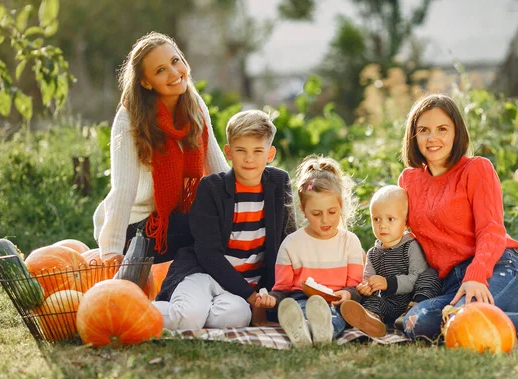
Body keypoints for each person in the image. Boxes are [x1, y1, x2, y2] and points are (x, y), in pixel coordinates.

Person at [397, 93, 518, 341]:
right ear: (413, 136)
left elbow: (491, 230)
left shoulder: (476, 169)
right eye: (423, 130)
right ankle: (474, 314)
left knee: (462, 320)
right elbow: (405, 235)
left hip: (497, 269)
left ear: (456, 133)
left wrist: (476, 276)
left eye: (442, 129)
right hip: (450, 284)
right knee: (417, 324)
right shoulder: (409, 180)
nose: (432, 138)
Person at [93, 32, 229, 265]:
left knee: (235, 223)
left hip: (177, 218)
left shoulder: (194, 107)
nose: (174, 73)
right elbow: (122, 190)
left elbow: (218, 172)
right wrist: (111, 252)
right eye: (160, 70)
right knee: (205, 229)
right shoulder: (130, 119)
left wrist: (249, 204)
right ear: (146, 82)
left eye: (175, 61)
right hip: (138, 228)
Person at [153, 109, 297, 330]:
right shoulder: (212, 188)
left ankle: (195, 315)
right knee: (188, 318)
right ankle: (136, 308)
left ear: (270, 154)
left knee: (236, 318)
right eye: (241, 150)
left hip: (238, 290)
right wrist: (250, 295)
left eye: (258, 151)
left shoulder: (279, 182)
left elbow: (288, 239)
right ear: (228, 152)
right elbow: (208, 253)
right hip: (203, 273)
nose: (249, 158)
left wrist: (273, 293)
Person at [257, 156, 364, 348]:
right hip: (301, 298)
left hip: (335, 301)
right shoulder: (291, 244)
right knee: (299, 307)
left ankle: (324, 331)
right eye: (316, 214)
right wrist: (271, 299)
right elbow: (283, 289)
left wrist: (347, 295)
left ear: (341, 206)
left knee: (334, 314)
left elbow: (354, 288)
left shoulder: (350, 242)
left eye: (332, 212)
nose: (325, 220)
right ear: (303, 210)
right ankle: (302, 330)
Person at [340, 185, 443, 337]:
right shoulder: (373, 253)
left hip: (412, 300)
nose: (382, 225)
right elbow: (367, 278)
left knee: (430, 276)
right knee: (371, 299)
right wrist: (366, 286)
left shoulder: (410, 246)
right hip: (388, 305)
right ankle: (371, 318)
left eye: (390, 219)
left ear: (406, 222)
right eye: (376, 219)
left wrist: (388, 283)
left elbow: (415, 278)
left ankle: (410, 314)